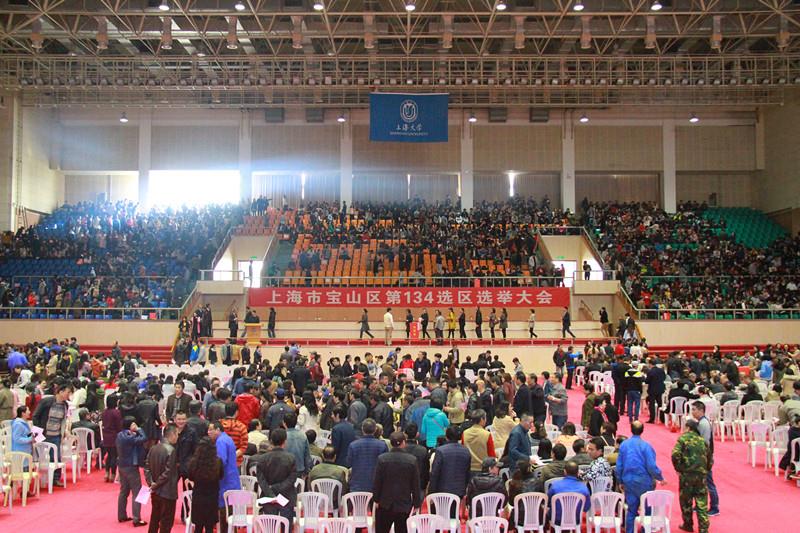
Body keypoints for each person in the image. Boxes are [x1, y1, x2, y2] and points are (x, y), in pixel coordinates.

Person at [617, 421, 666, 533]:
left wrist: (620, 480)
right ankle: (645, 530)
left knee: (631, 510)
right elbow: (651, 466)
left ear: (631, 429)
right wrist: (660, 477)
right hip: (645, 482)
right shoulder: (646, 446)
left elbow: (619, 466)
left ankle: (630, 531)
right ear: (642, 430)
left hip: (629, 481)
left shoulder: (624, 445)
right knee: (647, 509)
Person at [373, 431, 422, 533]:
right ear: (404, 442)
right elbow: (415, 484)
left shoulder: (382, 459)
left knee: (382, 530)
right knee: (402, 530)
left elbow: (377, 481)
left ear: (391, 443)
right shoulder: (412, 460)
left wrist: (376, 499)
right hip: (404, 503)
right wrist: (417, 503)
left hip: (385, 502)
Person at [672, 419, 711, 533]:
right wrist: (706, 469)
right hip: (701, 475)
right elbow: (710, 457)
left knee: (686, 501)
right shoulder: (702, 440)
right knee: (702, 501)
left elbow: (675, 454)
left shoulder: (683, 439)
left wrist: (679, 468)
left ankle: (688, 524)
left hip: (687, 475)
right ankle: (703, 528)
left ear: (688, 427)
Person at [33, 383, 73, 487]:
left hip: (56, 435)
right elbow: (35, 416)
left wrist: (63, 432)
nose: (69, 395)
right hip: (43, 434)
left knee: (56, 457)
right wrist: (38, 432)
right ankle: (39, 478)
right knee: (40, 457)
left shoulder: (65, 405)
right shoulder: (46, 402)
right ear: (61, 391)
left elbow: (63, 420)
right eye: (68, 392)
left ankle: (55, 478)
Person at [255, 428, 298, 523]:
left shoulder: (262, 459)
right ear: (285, 441)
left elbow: (261, 480)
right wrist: (277, 488)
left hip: (268, 496)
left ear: (271, 441)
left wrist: (271, 491)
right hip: (286, 496)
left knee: (270, 526)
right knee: (286, 526)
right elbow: (292, 479)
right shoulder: (291, 458)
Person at [145, 424, 180, 533]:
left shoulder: (153, 448)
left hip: (155, 491)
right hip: (167, 492)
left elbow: (146, 467)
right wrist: (157, 483)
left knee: (154, 518)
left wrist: (151, 482)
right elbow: (168, 472)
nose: (177, 437)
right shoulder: (171, 450)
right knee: (166, 522)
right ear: (172, 434)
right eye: (177, 434)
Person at [208, 421, 241, 529]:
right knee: (231, 514)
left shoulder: (220, 441)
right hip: (232, 480)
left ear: (218, 430)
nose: (208, 432)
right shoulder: (227, 438)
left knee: (225, 514)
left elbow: (221, 462)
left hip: (226, 481)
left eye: (211, 430)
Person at [116, 416, 148, 527]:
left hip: (122, 466)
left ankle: (122, 515)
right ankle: (136, 518)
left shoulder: (120, 435)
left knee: (124, 491)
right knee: (137, 492)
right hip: (131, 466)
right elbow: (144, 438)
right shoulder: (129, 437)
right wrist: (139, 429)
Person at [189, 436, 224, 533]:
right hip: (212, 497)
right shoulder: (218, 462)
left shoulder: (194, 462)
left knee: (198, 527)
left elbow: (190, 477)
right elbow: (221, 476)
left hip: (198, 496)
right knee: (209, 527)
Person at [691, 401, 719, 516]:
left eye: (694, 410)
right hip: (703, 456)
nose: (692, 412)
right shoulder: (701, 422)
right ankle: (700, 504)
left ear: (701, 410)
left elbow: (705, 443)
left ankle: (715, 507)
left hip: (704, 457)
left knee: (709, 483)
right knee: (700, 483)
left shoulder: (703, 424)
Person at [347, 418, 389, 492]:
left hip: (357, 485)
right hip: (376, 486)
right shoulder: (382, 445)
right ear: (375, 429)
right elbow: (385, 466)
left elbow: (349, 463)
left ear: (362, 429)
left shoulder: (353, 445)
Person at [429, 426, 471, 498]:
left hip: (442, 491)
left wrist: (431, 492)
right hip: (460, 491)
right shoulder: (466, 451)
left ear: (446, 436)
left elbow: (435, 473)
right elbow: (467, 473)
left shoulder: (440, 451)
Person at [462, 409, 496, 474]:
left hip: (469, 467)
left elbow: (463, 451)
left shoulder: (465, 433)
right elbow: (491, 454)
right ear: (481, 419)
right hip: (483, 468)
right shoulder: (487, 434)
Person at [284, 411, 313, 478]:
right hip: (299, 470)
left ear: (284, 423)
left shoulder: (282, 436)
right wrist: (306, 471)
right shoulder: (303, 436)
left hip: (284, 471)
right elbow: (307, 456)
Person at [645, 359, 667, 423]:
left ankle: (652, 418)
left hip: (652, 389)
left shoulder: (650, 372)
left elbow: (647, 381)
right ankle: (662, 418)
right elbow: (664, 378)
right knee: (660, 404)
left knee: (652, 404)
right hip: (660, 389)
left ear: (650, 364)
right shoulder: (661, 370)